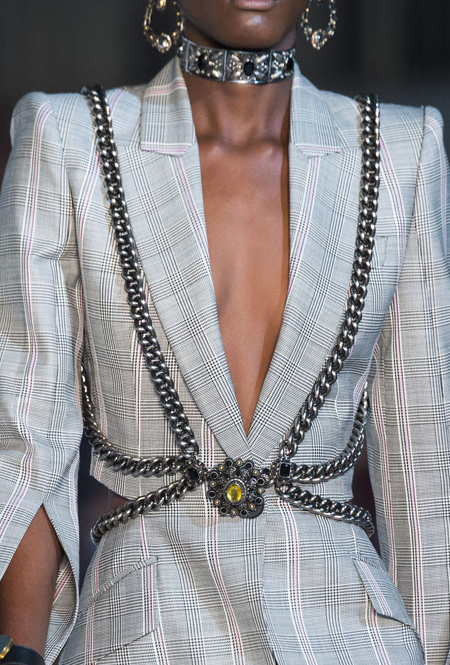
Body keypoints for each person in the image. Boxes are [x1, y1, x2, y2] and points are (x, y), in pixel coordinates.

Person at [0, 0, 449, 663]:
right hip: (148, 630)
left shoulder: (401, 151)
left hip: (355, 637)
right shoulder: (70, 141)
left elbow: (424, 467)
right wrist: (18, 651)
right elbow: (27, 439)